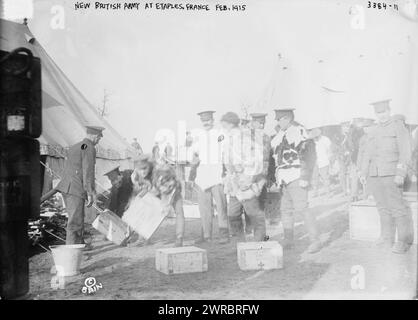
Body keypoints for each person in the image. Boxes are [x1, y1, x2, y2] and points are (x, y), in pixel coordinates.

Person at [359, 99, 414, 254]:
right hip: (374, 174)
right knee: (382, 207)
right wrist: (363, 172)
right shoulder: (374, 130)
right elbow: (367, 153)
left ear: (389, 111)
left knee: (397, 207)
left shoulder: (398, 127)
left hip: (391, 174)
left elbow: (406, 152)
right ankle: (386, 238)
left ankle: (402, 241)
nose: (381, 115)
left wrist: (400, 173)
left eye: (383, 112)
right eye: (378, 113)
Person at [270, 108, 322, 253]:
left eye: (280, 119)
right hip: (283, 178)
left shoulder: (300, 132)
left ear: (287, 118)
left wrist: (305, 177)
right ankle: (288, 240)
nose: (278, 123)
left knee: (302, 208)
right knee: (285, 210)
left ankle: (315, 240)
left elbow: (310, 156)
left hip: (297, 175)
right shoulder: (279, 136)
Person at [221, 112, 267, 241]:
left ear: (231, 125)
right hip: (234, 183)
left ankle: (260, 243)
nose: (224, 130)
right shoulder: (228, 140)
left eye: (225, 126)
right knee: (233, 214)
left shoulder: (245, 138)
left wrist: (249, 177)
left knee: (254, 214)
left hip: (247, 182)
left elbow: (257, 159)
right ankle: (240, 244)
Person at [56, 125, 105, 245]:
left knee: (76, 217)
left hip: (66, 187)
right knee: (75, 222)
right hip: (75, 188)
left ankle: (80, 244)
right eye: (99, 137)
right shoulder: (89, 147)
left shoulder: (75, 146)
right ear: (94, 135)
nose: (99, 140)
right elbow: (88, 171)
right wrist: (91, 192)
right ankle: (73, 252)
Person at [130, 154, 185, 247]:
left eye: (144, 168)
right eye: (140, 169)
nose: (142, 171)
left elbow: (166, 190)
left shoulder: (159, 172)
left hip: (173, 188)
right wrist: (137, 198)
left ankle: (179, 238)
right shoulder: (136, 175)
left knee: (179, 212)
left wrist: (165, 205)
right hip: (159, 190)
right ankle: (143, 238)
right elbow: (145, 189)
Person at [191, 110, 229, 244]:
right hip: (202, 176)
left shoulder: (220, 134)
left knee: (221, 206)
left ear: (213, 120)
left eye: (208, 120)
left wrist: (226, 171)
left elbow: (226, 153)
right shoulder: (198, 137)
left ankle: (224, 233)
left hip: (217, 175)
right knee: (204, 208)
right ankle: (206, 235)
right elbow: (194, 156)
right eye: (203, 120)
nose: (206, 123)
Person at [310, 128, 332, 197]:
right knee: (314, 178)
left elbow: (330, 150)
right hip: (314, 162)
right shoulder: (311, 141)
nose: (315, 138)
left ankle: (328, 192)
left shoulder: (325, 139)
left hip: (324, 162)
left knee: (325, 178)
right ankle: (315, 192)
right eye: (314, 137)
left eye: (316, 136)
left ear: (320, 134)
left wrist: (329, 159)